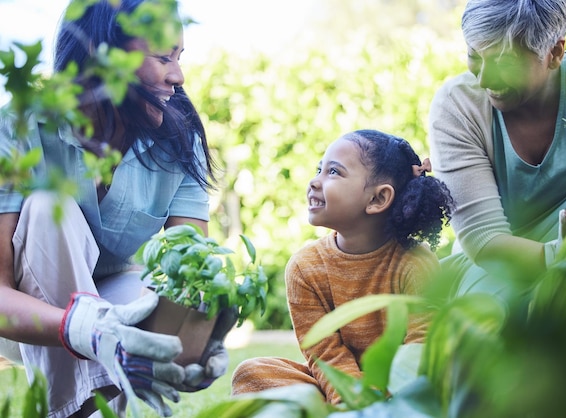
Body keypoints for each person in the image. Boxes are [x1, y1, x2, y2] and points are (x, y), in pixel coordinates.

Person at [0, 0, 229, 416]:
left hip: (118, 296)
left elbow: (190, 270)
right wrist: (83, 327)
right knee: (52, 206)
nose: (177, 77)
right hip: (30, 317)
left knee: (151, 301)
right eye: (163, 57)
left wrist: (198, 338)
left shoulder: (178, 141)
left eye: (179, 58)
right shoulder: (19, 128)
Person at [231, 129, 454, 404]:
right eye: (318, 169)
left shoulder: (415, 263)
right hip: (341, 393)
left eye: (333, 172)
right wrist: (351, 404)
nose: (315, 181)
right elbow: (325, 355)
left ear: (378, 199)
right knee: (252, 374)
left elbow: (420, 353)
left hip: (399, 395)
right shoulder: (304, 267)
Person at [428, 0, 566, 296]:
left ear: (555, 53)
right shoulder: (458, 108)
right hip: (501, 271)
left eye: (505, 63)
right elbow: (485, 240)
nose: (485, 80)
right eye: (475, 56)